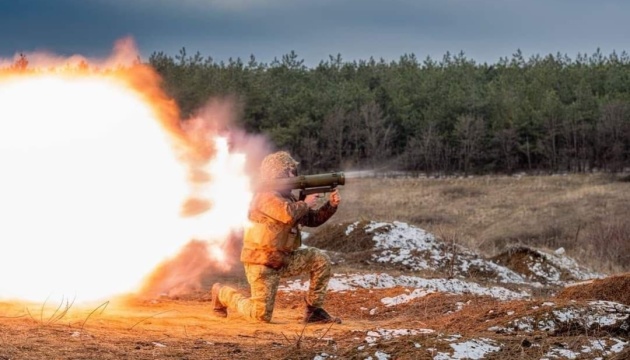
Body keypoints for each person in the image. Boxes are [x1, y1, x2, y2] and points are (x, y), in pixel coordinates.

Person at [211, 151, 341, 324]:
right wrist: (305, 202)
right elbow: (286, 214)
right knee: (261, 315)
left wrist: (331, 205)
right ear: (278, 173)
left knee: (320, 259)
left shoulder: (288, 197)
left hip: (284, 258)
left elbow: (311, 219)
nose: (294, 174)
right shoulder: (264, 196)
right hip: (262, 262)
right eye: (290, 171)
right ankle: (222, 293)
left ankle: (314, 311)